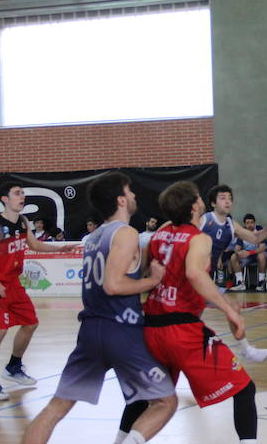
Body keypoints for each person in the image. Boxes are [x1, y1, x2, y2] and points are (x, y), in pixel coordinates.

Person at [22, 173, 177, 444]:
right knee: (166, 402)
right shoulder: (125, 233)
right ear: (120, 199)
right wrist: (152, 280)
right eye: (129, 192)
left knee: (56, 407)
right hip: (120, 331)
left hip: (90, 331)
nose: (134, 196)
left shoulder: (92, 237)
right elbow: (113, 285)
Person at [143, 181, 263, 443]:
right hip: (182, 329)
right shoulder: (199, 238)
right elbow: (195, 274)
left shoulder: (158, 236)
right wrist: (227, 308)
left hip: (151, 328)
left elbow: (142, 271)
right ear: (195, 205)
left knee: (151, 402)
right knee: (244, 389)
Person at [0, 183, 77, 401]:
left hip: (14, 284)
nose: (22, 196)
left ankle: (14, 366)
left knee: (31, 323)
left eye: (23, 193)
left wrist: (59, 248)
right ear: (5, 199)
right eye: (17, 193)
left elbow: (34, 245)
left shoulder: (24, 222)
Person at [200, 185, 267, 362]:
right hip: (194, 277)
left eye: (229, 197)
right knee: (190, 320)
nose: (227, 200)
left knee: (234, 308)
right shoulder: (205, 220)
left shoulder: (230, 224)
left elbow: (255, 238)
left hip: (204, 279)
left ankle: (246, 349)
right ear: (213, 203)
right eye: (222, 197)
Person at [228, 213, 267, 292]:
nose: (250, 225)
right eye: (247, 223)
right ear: (245, 224)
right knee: (234, 256)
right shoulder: (242, 233)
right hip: (248, 256)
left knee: (261, 256)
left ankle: (261, 282)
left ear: (254, 223)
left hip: (259, 253)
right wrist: (239, 253)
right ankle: (240, 282)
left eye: (251, 222)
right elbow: (237, 248)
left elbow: (262, 248)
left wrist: (249, 252)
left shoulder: (259, 229)